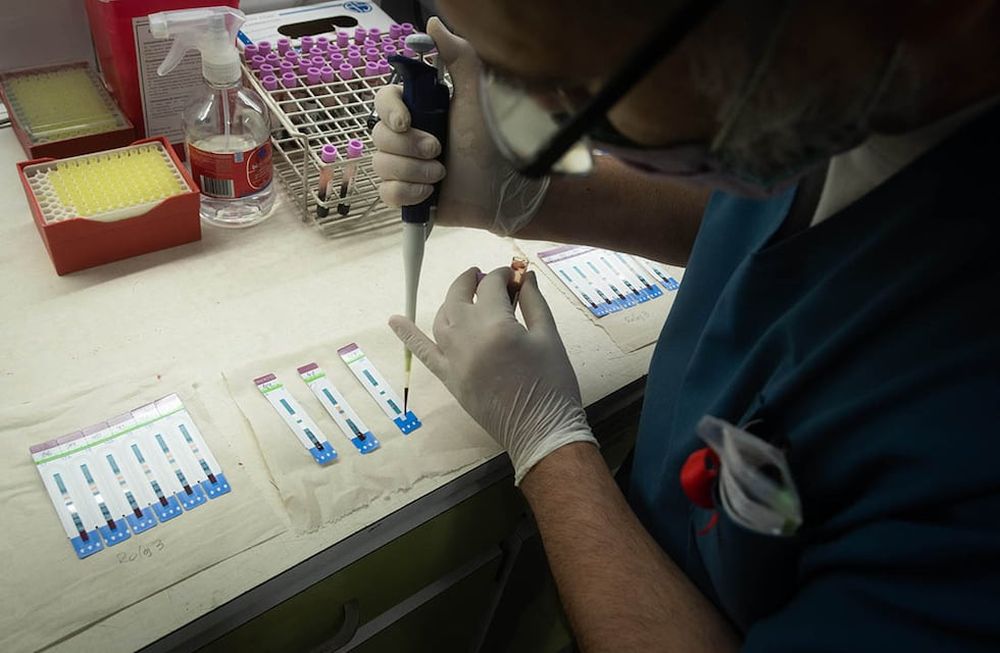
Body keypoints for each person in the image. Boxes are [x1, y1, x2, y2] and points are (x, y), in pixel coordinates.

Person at [373, 2, 1000, 650]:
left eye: (586, 77)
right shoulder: (849, 87)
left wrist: (548, 444)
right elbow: (769, 193)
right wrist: (530, 190)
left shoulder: (973, 450)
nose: (546, 116)